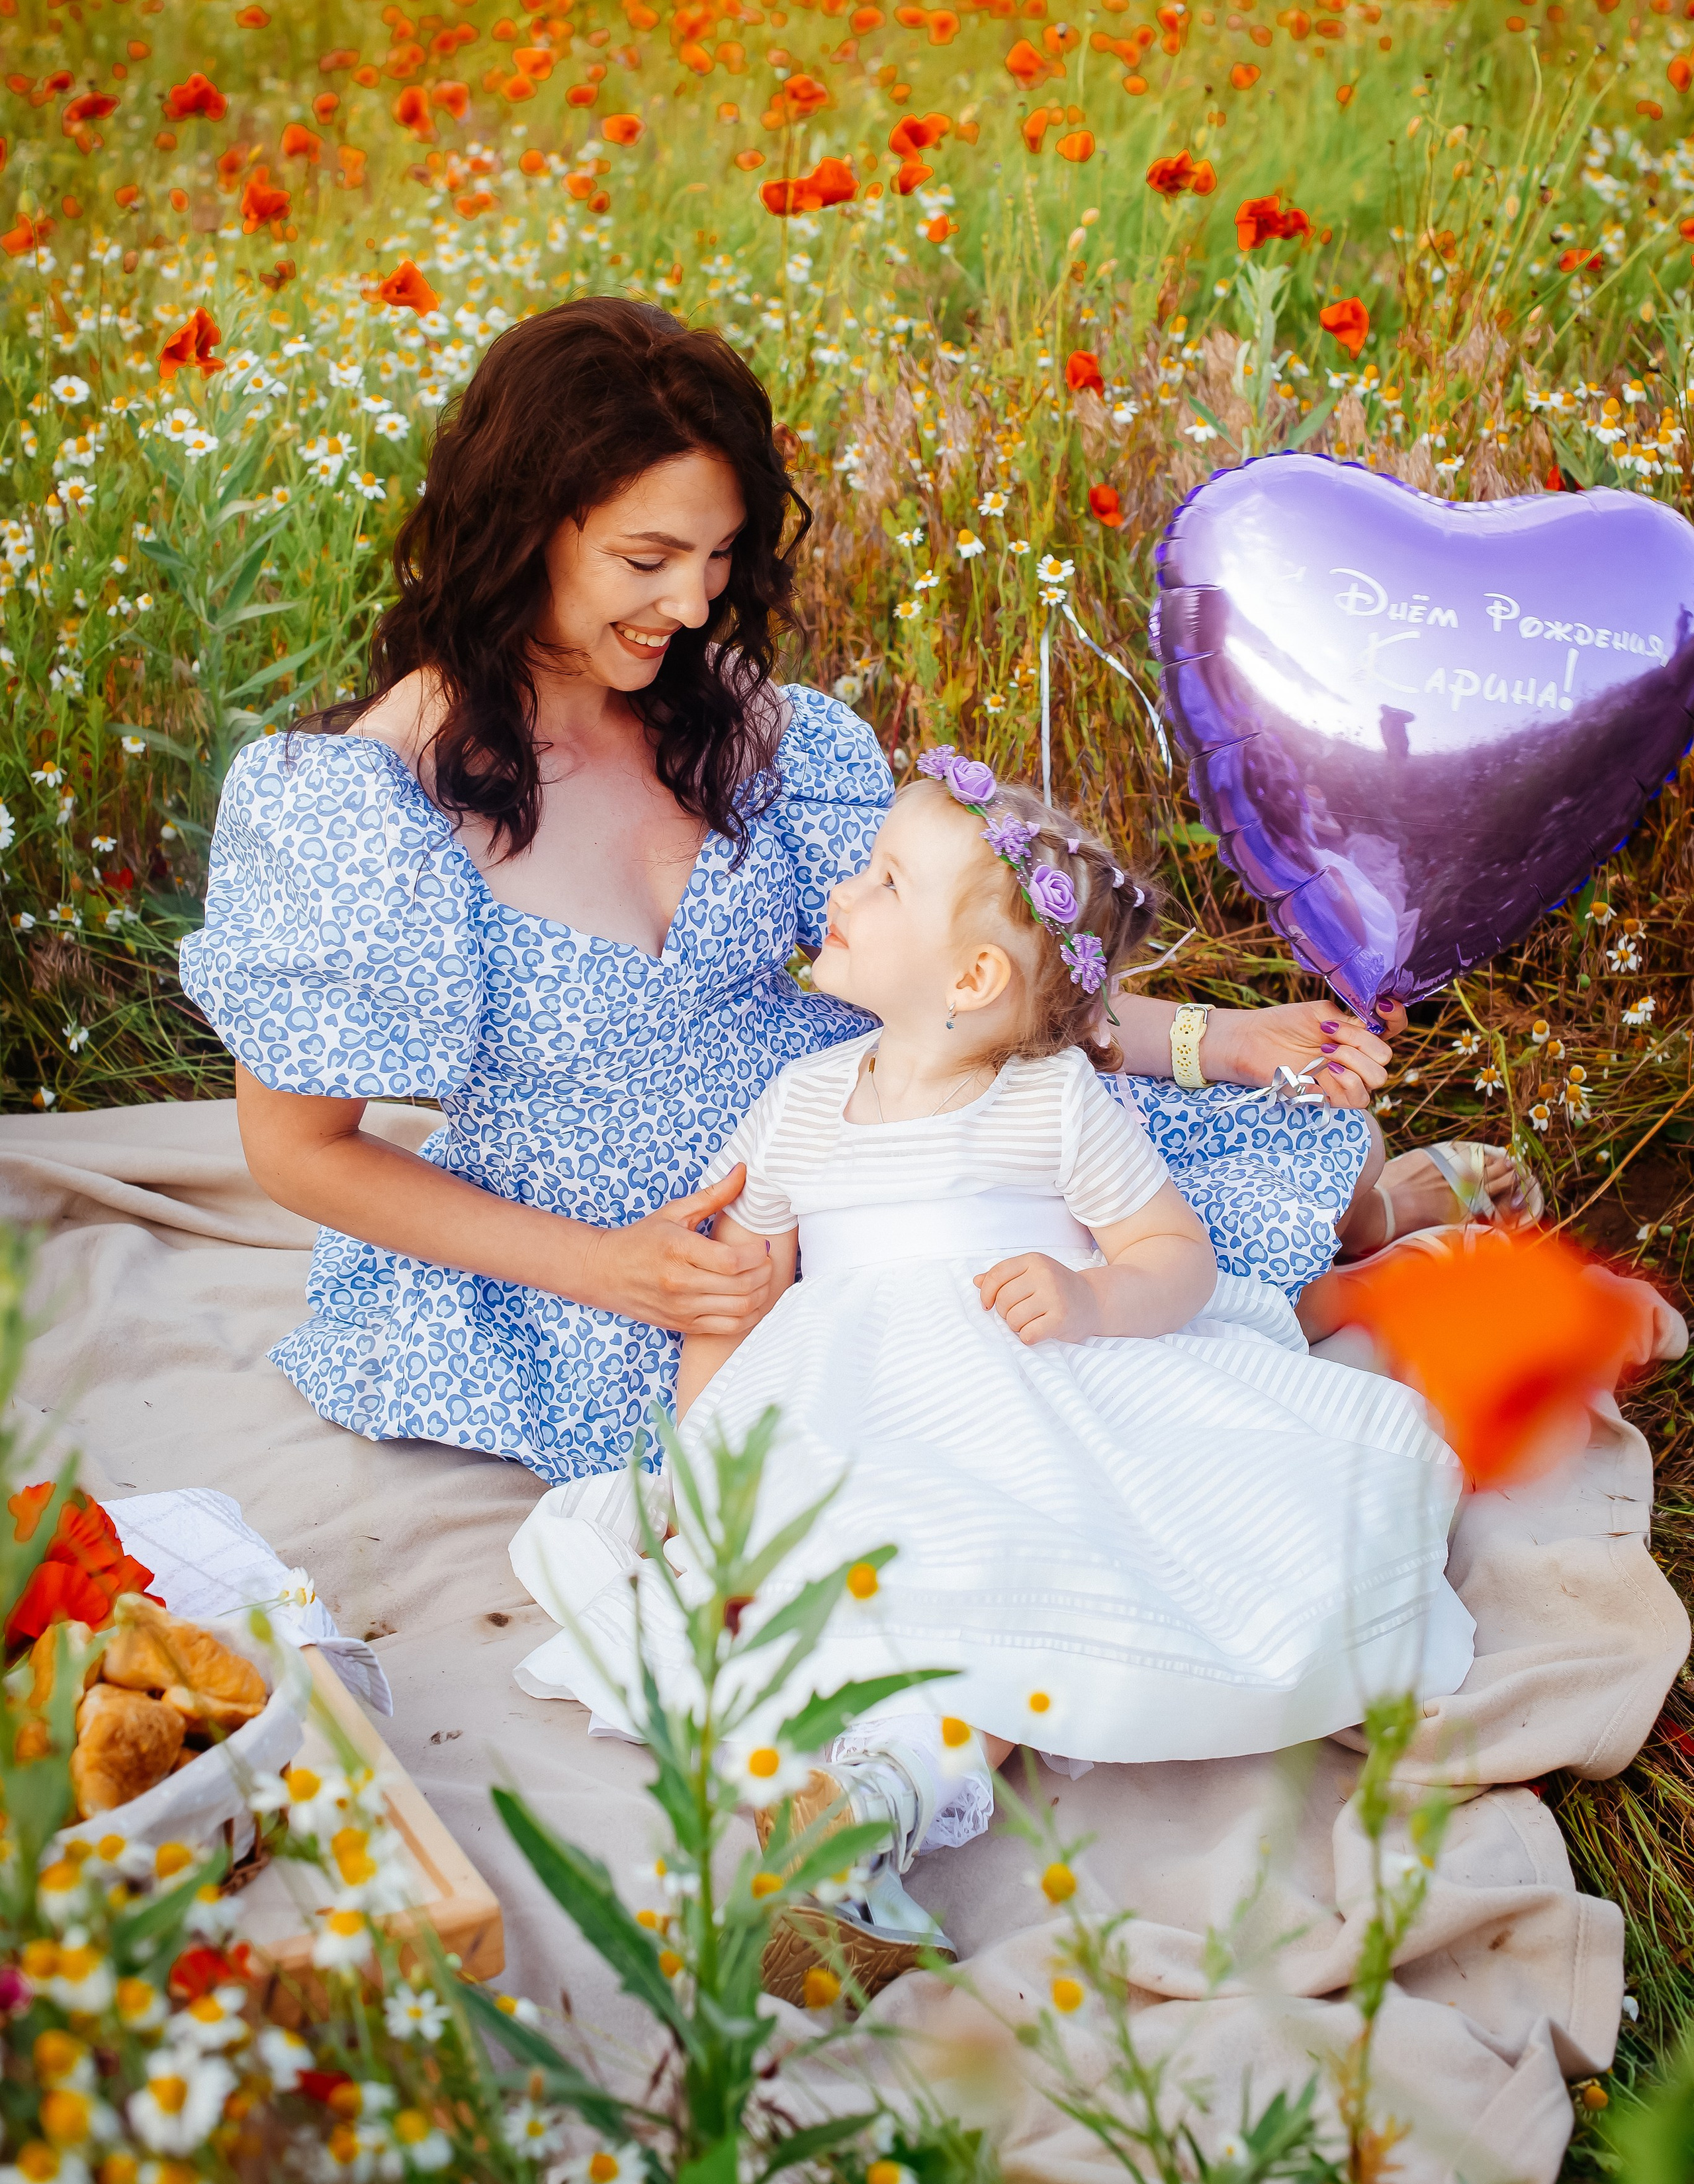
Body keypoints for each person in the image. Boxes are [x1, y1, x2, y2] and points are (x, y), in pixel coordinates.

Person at [178, 298, 1523, 1485]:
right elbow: (296, 1151)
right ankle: (1357, 1278)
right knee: (926, 1394)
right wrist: (612, 1271)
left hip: (873, 1114)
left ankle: (1356, 1241)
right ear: (521, 526)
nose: (694, 608)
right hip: (630, 1247)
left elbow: (939, 964)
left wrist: (1207, 1040)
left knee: (1113, 1220)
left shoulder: (739, 724)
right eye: (648, 562)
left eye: (717, 560)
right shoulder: (358, 806)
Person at [507, 752, 1490, 2000]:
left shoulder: (1050, 1103)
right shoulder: (801, 1103)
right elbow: (738, 1289)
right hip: (850, 1405)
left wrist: (1090, 1298)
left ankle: (867, 1811)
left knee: (1000, 1589)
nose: (845, 892)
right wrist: (706, 1445)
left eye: (884, 881)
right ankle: (854, 1825)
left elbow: (1172, 1256)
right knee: (861, 1597)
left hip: (1023, 1394)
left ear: (972, 979)